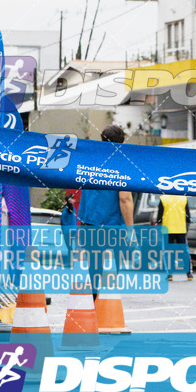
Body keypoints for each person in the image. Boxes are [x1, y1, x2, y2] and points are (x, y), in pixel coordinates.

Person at [77, 124, 133, 296]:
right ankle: (106, 313)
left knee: (94, 272)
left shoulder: (90, 161)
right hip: (112, 227)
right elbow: (125, 198)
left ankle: (93, 311)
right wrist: (130, 230)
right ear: (121, 143)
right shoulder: (121, 163)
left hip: (88, 225)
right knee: (110, 275)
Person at [157, 194, 194, 281]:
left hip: (167, 229)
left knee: (168, 252)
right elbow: (188, 217)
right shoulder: (183, 198)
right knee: (184, 251)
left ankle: (169, 274)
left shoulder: (163, 199)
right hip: (181, 228)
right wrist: (187, 228)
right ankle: (189, 273)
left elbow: (160, 217)